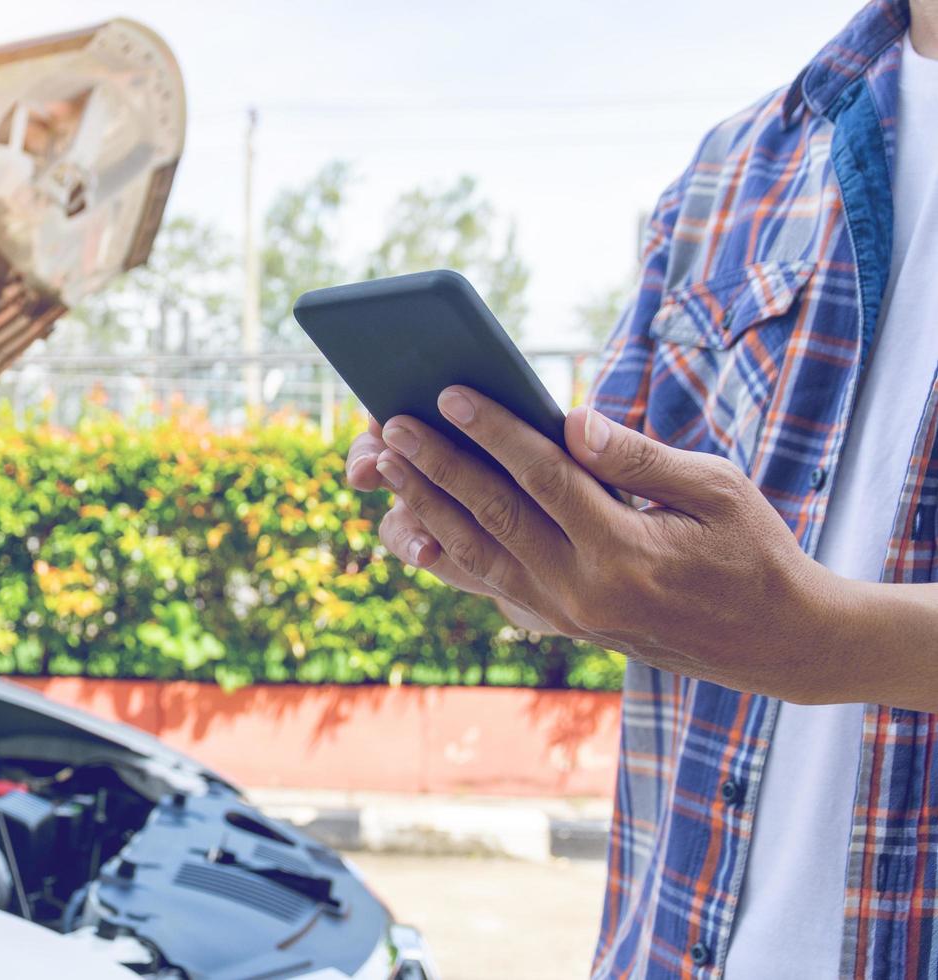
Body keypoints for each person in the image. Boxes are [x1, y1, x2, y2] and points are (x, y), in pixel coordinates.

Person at [345, 1, 938, 976]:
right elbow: (624, 558)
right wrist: (516, 544)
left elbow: (782, 622)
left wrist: (830, 641)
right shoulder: (738, 167)